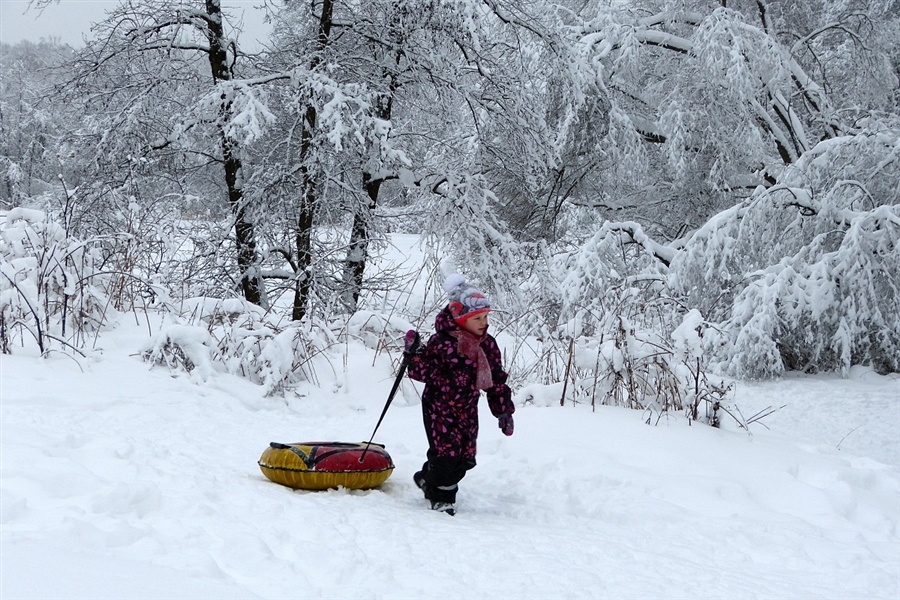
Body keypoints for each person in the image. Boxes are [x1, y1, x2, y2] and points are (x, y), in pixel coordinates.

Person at [404, 274, 515, 515]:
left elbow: (496, 380)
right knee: (446, 455)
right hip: (439, 407)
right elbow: (422, 372)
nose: (484, 322)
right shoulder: (442, 343)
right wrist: (414, 354)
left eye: (486, 316)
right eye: (477, 318)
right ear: (459, 318)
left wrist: (503, 410)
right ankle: (442, 497)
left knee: (466, 458)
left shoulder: (487, 345)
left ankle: (426, 477)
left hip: (467, 407)